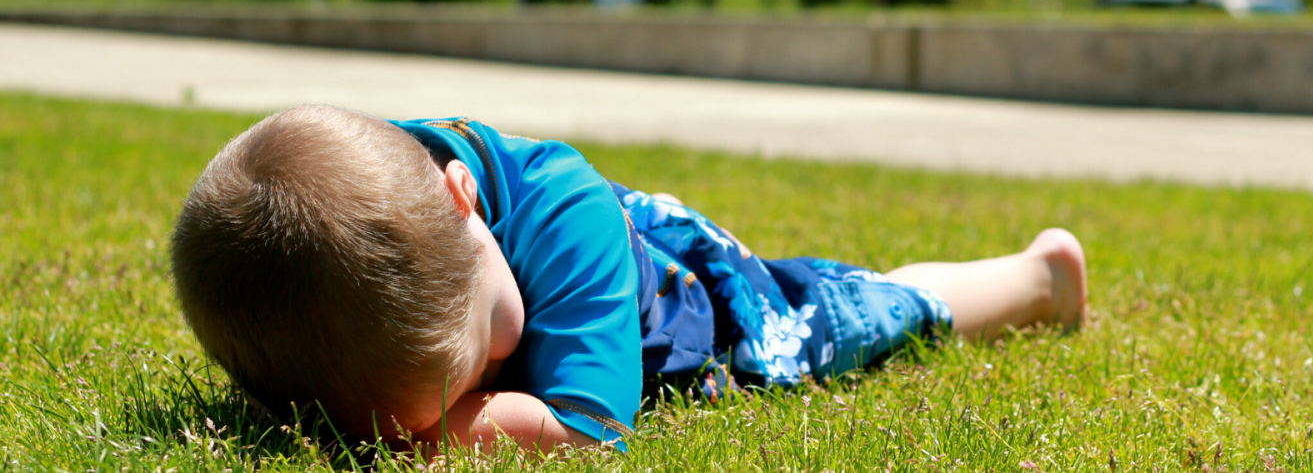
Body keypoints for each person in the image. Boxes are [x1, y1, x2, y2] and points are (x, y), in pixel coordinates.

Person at [169, 105, 1087, 456]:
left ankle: (1039, 276)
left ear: (467, 203)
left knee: (859, 313)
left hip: (711, 305)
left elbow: (584, 428)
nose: (490, 381)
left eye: (484, 359)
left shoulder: (561, 216)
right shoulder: (379, 202)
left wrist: (429, 438)